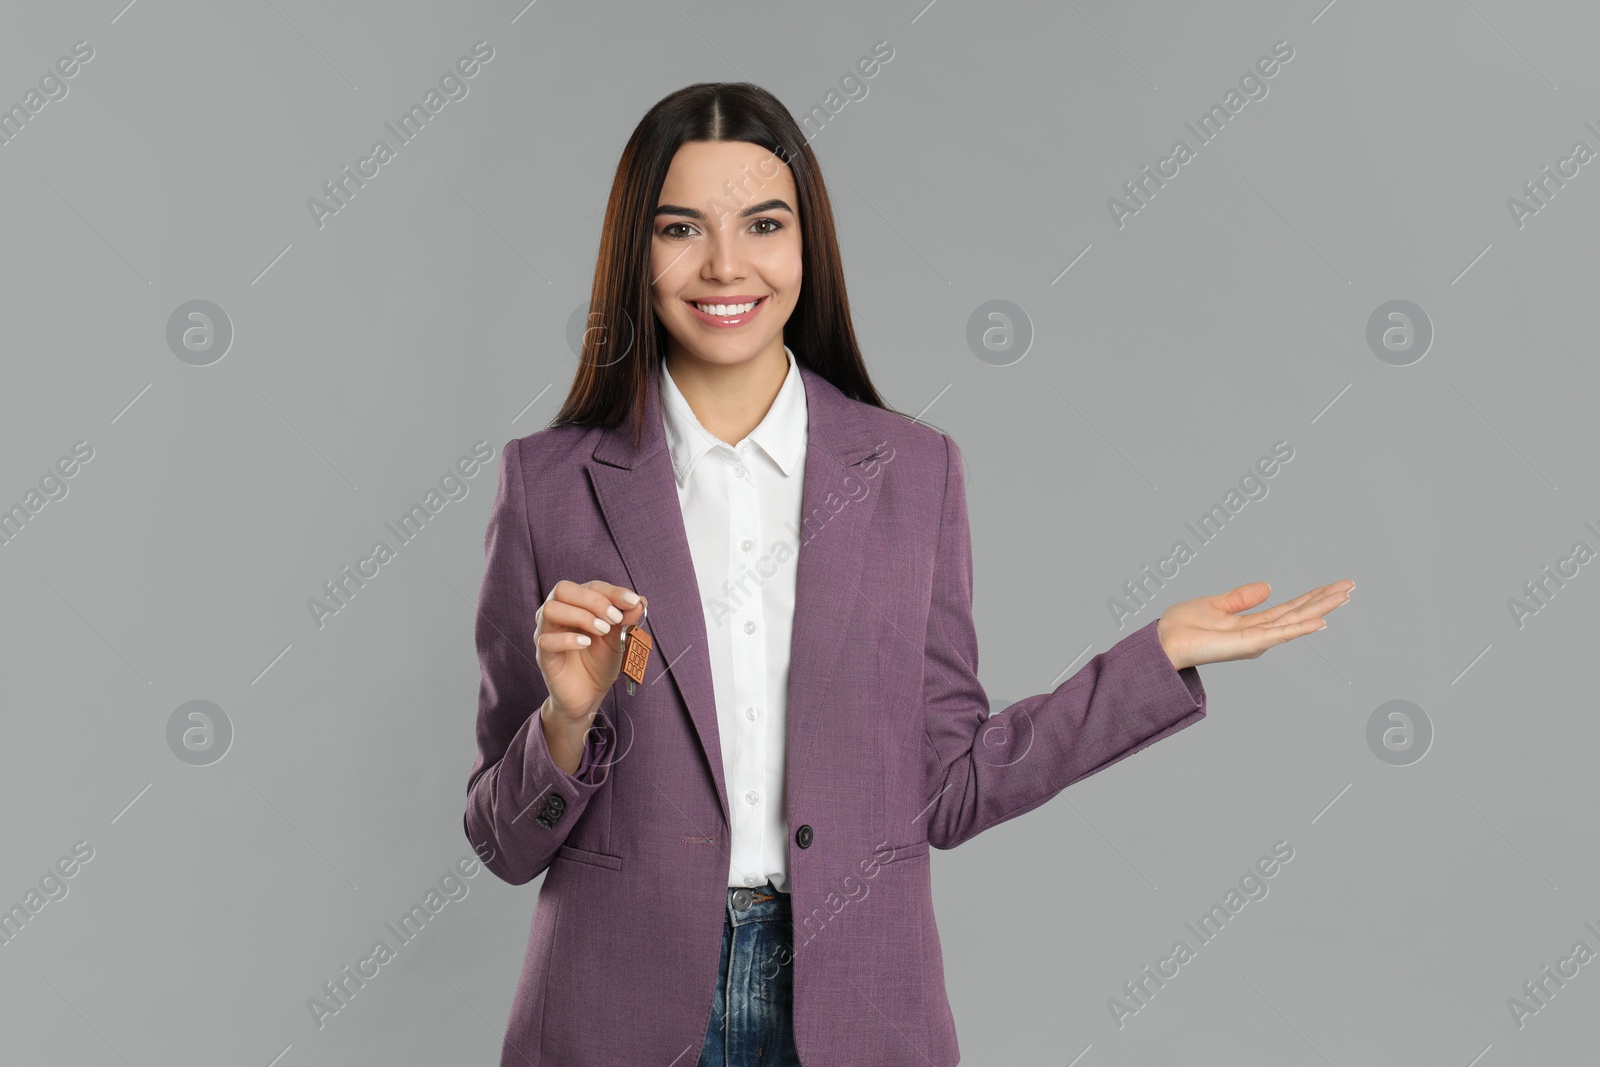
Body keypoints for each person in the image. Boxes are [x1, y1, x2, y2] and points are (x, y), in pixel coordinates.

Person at [462, 81, 1352, 1067]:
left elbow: (950, 787)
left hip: (855, 1012)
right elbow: (504, 841)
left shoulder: (912, 471)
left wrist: (1156, 656)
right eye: (682, 228)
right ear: (638, 249)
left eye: (763, 223)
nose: (725, 264)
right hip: (612, 1013)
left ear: (807, 246)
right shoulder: (548, 486)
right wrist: (567, 719)